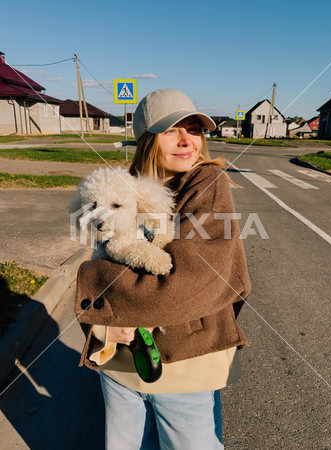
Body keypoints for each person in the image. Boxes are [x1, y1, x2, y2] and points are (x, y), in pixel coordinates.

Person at [74, 88, 251, 449]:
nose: (187, 140)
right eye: (172, 130)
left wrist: (90, 282)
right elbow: (104, 252)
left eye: (194, 129)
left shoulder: (208, 184)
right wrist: (106, 329)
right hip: (122, 365)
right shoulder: (121, 190)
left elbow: (186, 284)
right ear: (147, 140)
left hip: (183, 367)